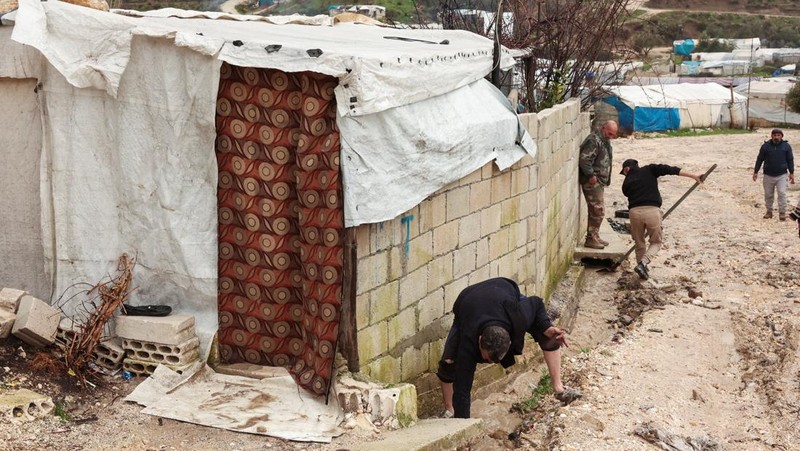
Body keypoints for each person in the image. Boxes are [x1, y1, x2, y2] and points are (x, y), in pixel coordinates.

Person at [437, 277, 580, 419]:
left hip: (503, 290)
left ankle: (559, 388)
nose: (489, 362)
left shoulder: (518, 316)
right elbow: (462, 388)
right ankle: (450, 411)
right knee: (449, 362)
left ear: (510, 341)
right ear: (480, 339)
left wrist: (547, 327)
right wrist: (462, 424)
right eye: (486, 358)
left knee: (551, 335)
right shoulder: (468, 339)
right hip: (468, 302)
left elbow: (536, 303)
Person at [620, 159, 703, 280]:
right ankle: (643, 264)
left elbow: (628, 193)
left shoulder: (626, 183)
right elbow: (672, 170)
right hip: (652, 211)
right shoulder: (650, 169)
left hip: (634, 213)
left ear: (627, 169)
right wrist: (694, 176)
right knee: (656, 242)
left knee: (639, 243)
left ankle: (641, 270)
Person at [579, 120, 619, 249]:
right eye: (609, 133)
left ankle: (595, 235)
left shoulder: (604, 140)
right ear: (603, 128)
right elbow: (585, 159)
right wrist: (591, 175)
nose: (610, 137)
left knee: (598, 210)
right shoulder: (594, 140)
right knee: (597, 210)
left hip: (599, 181)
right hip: (592, 182)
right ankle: (591, 238)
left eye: (613, 135)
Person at [753, 128, 795, 221]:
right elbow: (759, 159)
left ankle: (782, 213)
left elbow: (790, 160)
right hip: (768, 175)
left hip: (782, 175)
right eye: (774, 135)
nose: (776, 137)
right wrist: (755, 172)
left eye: (778, 135)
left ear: (782, 136)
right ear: (771, 136)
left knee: (782, 193)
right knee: (768, 195)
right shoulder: (765, 146)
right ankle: (769, 212)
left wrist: (791, 173)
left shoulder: (786, 146)